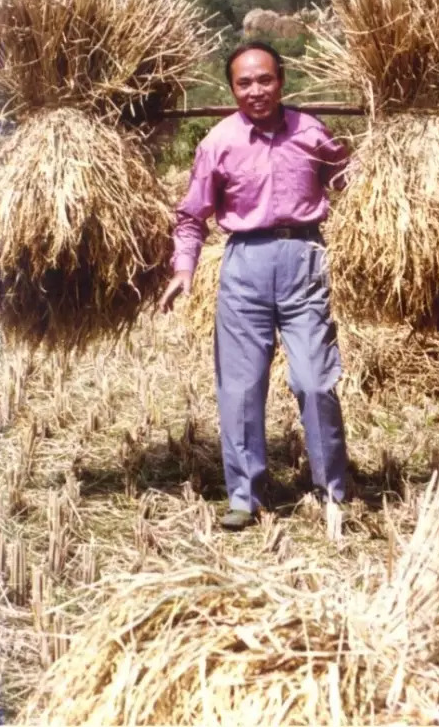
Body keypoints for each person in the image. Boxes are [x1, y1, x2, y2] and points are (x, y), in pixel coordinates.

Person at [159, 41, 350, 530]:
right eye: (244, 83)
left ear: (281, 81)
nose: (256, 91)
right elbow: (191, 216)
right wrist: (185, 269)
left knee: (315, 382)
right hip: (244, 265)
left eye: (264, 80)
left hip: (305, 261)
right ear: (232, 89)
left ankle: (332, 487)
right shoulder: (219, 142)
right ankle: (244, 495)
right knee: (241, 389)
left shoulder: (310, 131)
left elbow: (350, 182)